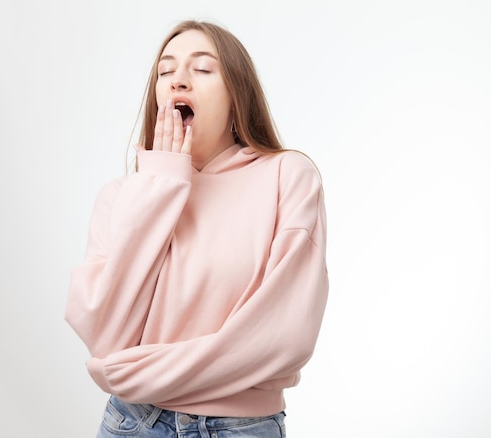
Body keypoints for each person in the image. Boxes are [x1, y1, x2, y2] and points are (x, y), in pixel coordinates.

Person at [65, 19, 329, 438]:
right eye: (165, 71)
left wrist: (131, 374)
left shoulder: (287, 176)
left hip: (241, 427)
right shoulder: (120, 196)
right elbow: (104, 333)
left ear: (236, 94)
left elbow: (284, 338)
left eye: (203, 69)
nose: (178, 81)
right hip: (132, 424)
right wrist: (162, 184)